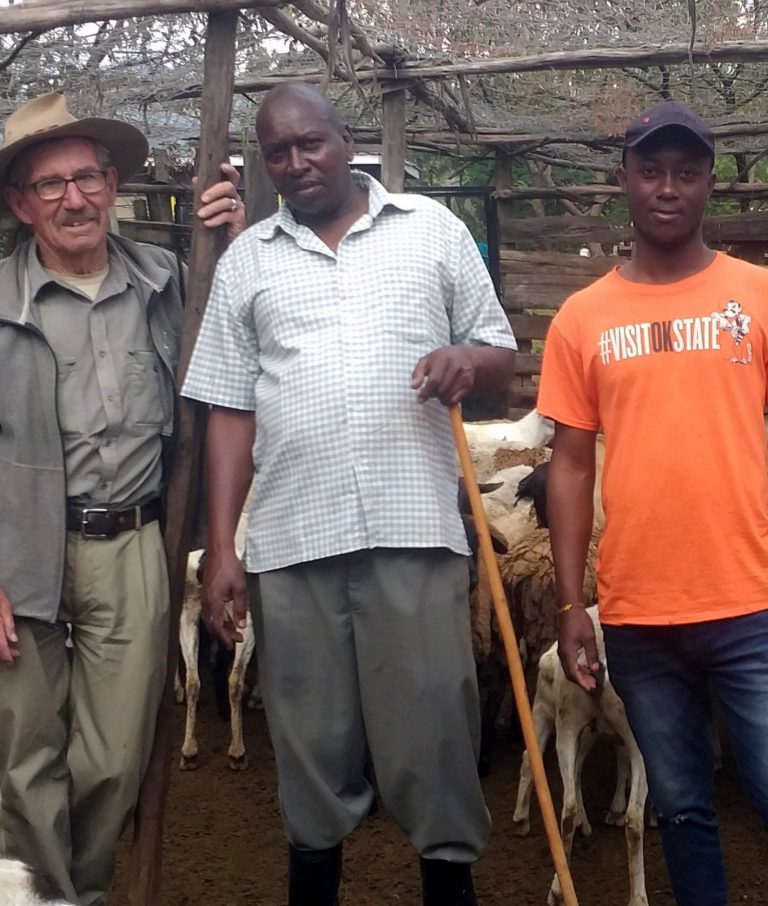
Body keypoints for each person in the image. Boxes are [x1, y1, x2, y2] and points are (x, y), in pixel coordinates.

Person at [182, 82, 517, 905]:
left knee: (433, 730)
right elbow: (228, 410)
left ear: (345, 138)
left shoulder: (431, 230)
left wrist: (465, 362)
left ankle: (447, 883)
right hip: (294, 538)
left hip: (414, 528)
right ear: (265, 162)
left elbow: (500, 349)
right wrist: (223, 545)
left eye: (311, 144)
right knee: (309, 739)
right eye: (278, 152)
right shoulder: (247, 261)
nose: (297, 163)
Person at [0, 91, 246, 906]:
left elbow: (245, 334)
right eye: (49, 185)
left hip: (134, 545)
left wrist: (234, 240)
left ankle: (79, 891)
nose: (73, 199)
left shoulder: (173, 280)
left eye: (87, 178)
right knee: (23, 760)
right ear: (19, 203)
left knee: (113, 760)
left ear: (113, 185)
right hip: (17, 555)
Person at [538, 98, 768, 906]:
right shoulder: (582, 318)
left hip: (752, 601)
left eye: (687, 173)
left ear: (709, 186)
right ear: (624, 182)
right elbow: (568, 467)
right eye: (651, 171)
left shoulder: (757, 295)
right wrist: (573, 603)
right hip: (638, 614)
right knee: (678, 805)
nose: (668, 188)